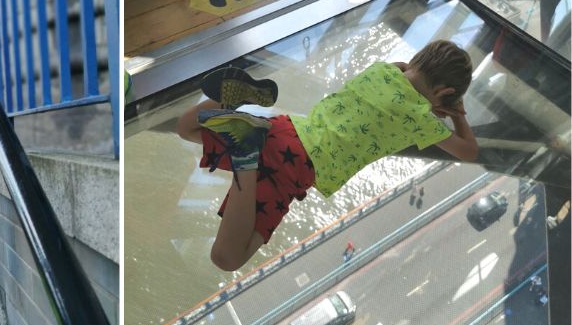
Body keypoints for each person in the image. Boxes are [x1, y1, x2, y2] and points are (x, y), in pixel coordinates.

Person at [176, 40, 478, 271]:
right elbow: (468, 151)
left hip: (283, 129)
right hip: (296, 167)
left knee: (186, 128)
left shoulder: (384, 71)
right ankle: (246, 158)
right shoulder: (419, 118)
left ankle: (233, 98)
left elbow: (405, 67)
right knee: (227, 257)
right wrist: (457, 114)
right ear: (444, 93)